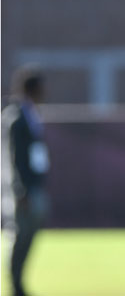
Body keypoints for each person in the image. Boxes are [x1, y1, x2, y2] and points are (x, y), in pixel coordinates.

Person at [3, 66, 50, 296]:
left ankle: (19, 285)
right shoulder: (16, 117)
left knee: (30, 235)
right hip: (22, 191)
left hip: (35, 186)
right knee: (19, 236)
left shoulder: (32, 114)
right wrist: (20, 191)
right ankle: (15, 285)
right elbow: (13, 158)